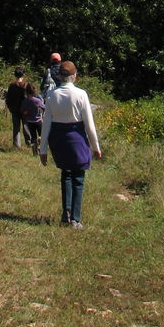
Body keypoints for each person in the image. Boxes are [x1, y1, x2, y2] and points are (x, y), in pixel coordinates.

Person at [39, 60, 101, 228]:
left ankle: (66, 215)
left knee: (66, 174)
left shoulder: (51, 95)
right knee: (78, 178)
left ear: (59, 76)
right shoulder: (81, 95)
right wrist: (96, 147)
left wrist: (43, 149)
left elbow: (46, 124)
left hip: (58, 139)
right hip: (77, 137)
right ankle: (75, 218)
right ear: (75, 76)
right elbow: (89, 124)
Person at [5, 67, 30, 149]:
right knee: (26, 126)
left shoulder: (11, 85)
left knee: (16, 128)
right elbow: (28, 98)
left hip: (15, 109)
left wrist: (10, 107)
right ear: (23, 75)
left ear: (15, 75)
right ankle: (29, 143)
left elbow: (8, 98)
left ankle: (17, 145)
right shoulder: (25, 85)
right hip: (24, 110)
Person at [20, 82, 45, 155]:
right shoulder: (37, 101)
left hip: (30, 121)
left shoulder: (25, 101)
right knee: (42, 135)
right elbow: (44, 107)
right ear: (34, 91)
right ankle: (41, 145)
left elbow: (22, 110)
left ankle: (34, 152)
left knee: (33, 137)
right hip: (38, 120)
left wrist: (25, 112)